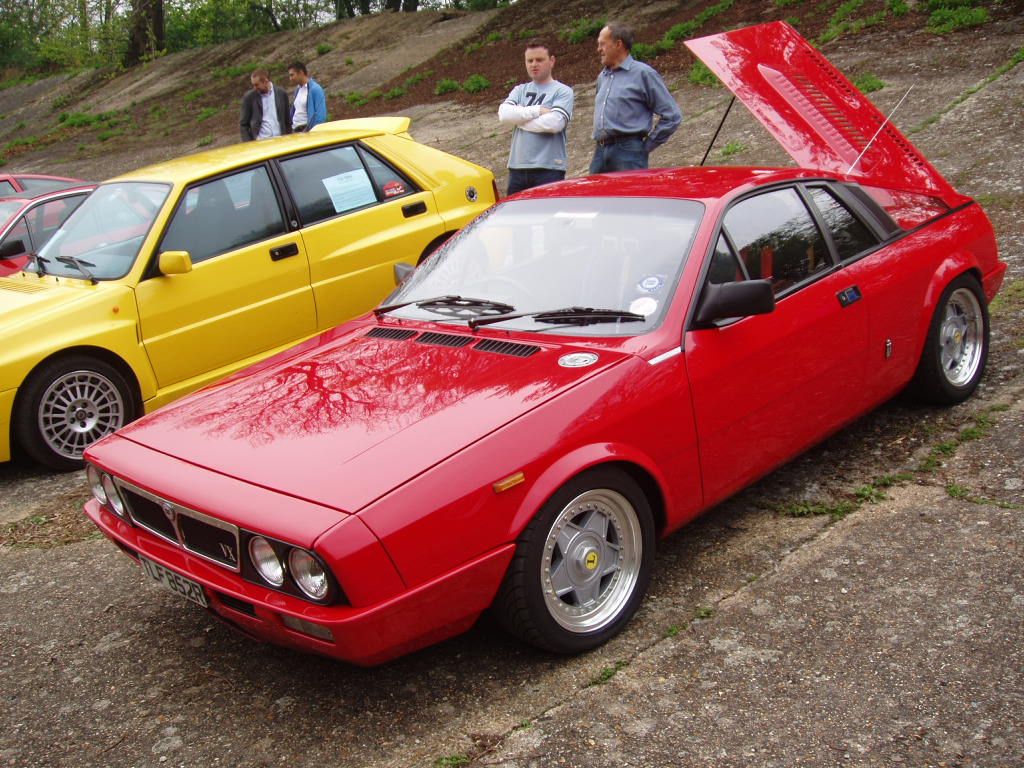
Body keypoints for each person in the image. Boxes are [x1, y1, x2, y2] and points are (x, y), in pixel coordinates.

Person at [590, 23, 682, 174]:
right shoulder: (603, 76)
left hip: (628, 151)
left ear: (618, 44)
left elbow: (672, 116)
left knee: (630, 197)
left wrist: (645, 147)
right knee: (594, 196)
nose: (598, 49)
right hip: (600, 151)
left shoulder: (643, 74)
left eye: (602, 44)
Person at [498, 40, 574, 195]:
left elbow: (554, 124)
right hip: (517, 168)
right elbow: (504, 115)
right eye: (529, 60)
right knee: (516, 218)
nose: (534, 64)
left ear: (552, 61)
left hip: (549, 169)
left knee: (548, 217)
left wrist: (518, 119)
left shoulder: (563, 91)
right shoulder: (519, 90)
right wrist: (537, 110)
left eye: (539, 60)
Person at [240, 70, 291, 142]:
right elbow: (243, 124)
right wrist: (248, 144)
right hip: (261, 141)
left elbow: (287, 120)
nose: (254, 87)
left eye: (256, 85)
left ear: (265, 81)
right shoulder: (249, 97)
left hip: (280, 140)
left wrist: (289, 138)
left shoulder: (281, 93)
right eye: (253, 85)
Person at [287, 62, 328, 133]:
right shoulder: (298, 90)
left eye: (292, 75)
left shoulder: (315, 89)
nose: (290, 78)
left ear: (301, 73)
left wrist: (310, 131)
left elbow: (320, 115)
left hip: (306, 130)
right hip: (295, 130)